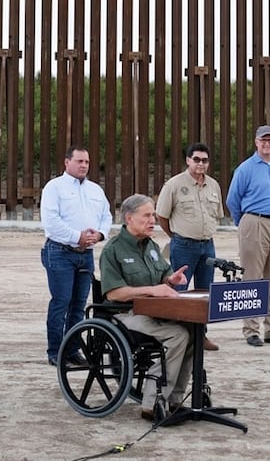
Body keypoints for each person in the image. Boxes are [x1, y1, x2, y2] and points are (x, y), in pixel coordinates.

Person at [99, 194, 192, 421]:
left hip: (154, 310)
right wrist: (152, 290)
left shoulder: (150, 245)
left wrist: (171, 280)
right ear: (129, 218)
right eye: (147, 215)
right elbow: (114, 293)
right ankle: (151, 402)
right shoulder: (113, 250)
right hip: (124, 313)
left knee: (193, 333)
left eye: (153, 215)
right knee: (178, 335)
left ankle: (174, 399)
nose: (153, 220)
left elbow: (163, 275)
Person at [39, 146, 112, 366]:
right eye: (79, 161)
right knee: (61, 302)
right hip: (60, 251)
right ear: (66, 162)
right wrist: (76, 236)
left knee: (79, 305)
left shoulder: (95, 190)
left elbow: (106, 216)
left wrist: (99, 235)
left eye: (87, 162)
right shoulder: (54, 188)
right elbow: (51, 221)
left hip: (86, 254)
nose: (83, 166)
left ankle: (72, 349)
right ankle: (55, 351)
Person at [225, 124, 270, 347]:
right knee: (252, 278)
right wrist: (245, 223)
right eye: (263, 140)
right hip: (255, 221)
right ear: (256, 142)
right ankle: (251, 329)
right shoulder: (245, 169)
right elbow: (233, 199)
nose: (267, 143)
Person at [155, 141, 224, 352]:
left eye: (204, 160)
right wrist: (176, 236)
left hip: (207, 245)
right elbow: (162, 216)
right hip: (183, 245)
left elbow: (218, 214)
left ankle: (200, 336)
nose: (200, 164)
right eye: (196, 159)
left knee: (205, 294)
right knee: (180, 292)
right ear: (187, 160)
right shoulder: (174, 185)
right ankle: (177, 338)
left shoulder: (213, 185)